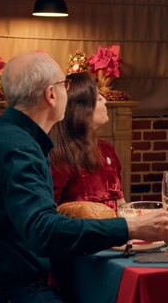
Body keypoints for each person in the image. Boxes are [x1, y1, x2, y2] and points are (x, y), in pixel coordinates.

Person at [0, 52, 168, 302]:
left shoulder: (1, 134)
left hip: (3, 284)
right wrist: (131, 227)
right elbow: (43, 230)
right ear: (51, 94)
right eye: (65, 86)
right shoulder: (18, 147)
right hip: (11, 293)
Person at [49, 72, 124, 212]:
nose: (105, 101)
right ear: (81, 109)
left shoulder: (107, 150)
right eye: (98, 98)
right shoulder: (59, 157)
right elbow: (48, 214)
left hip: (114, 231)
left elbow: (120, 202)